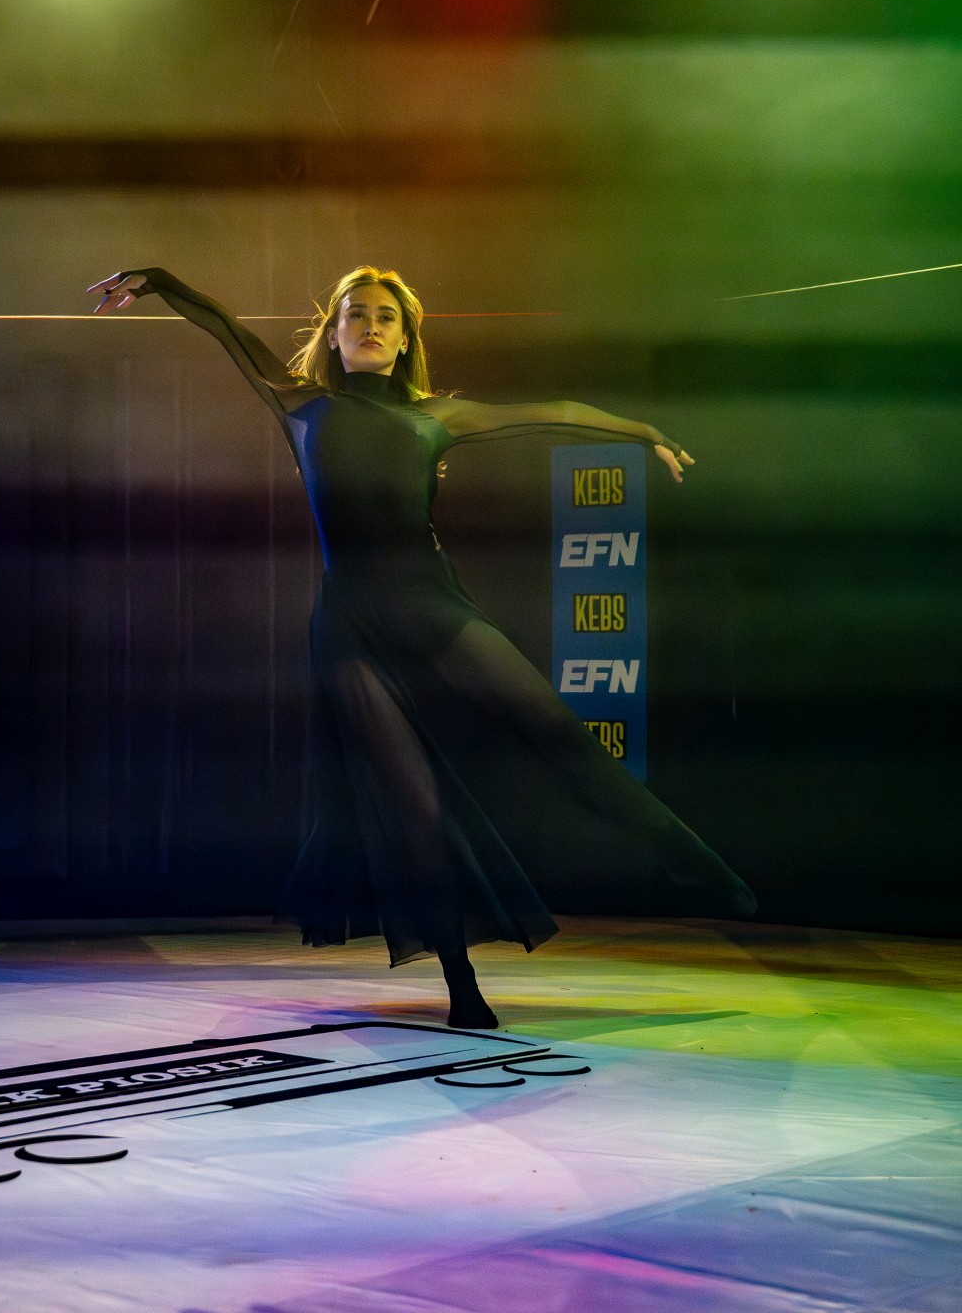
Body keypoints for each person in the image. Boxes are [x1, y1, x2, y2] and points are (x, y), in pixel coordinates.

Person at [88, 265, 755, 1029]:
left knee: (552, 728)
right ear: (334, 334)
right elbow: (225, 328)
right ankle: (461, 984)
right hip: (351, 628)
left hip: (433, 607)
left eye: (386, 317)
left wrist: (644, 433)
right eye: (355, 314)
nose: (370, 326)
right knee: (414, 808)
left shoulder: (436, 416)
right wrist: (162, 281)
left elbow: (555, 412)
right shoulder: (300, 404)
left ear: (405, 340)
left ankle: (685, 854)